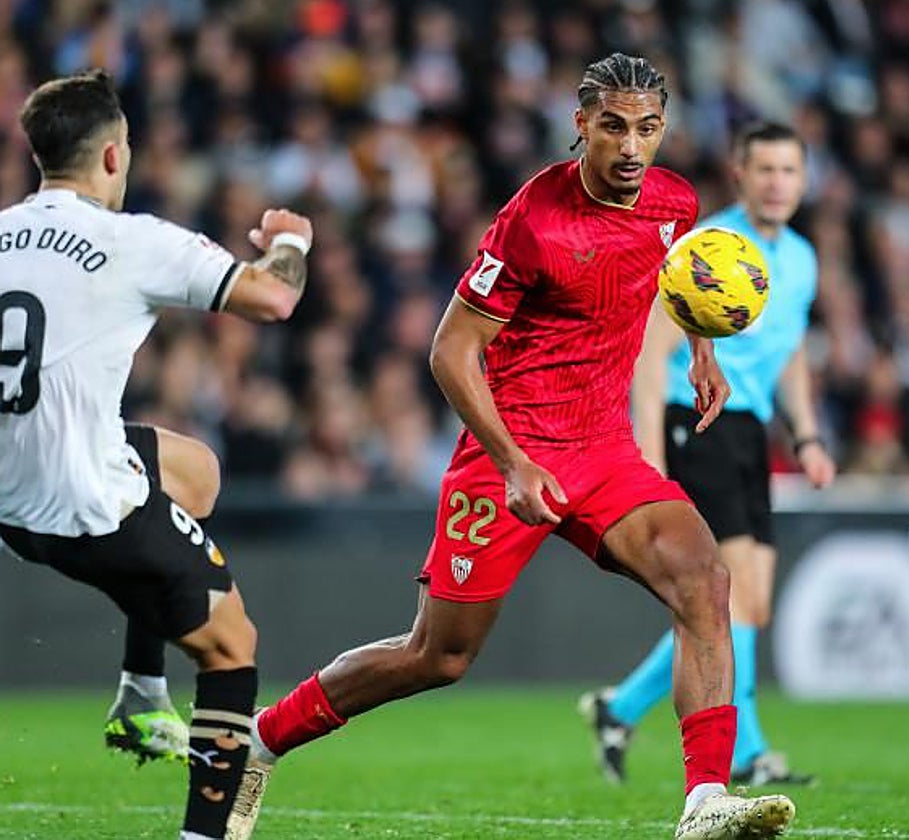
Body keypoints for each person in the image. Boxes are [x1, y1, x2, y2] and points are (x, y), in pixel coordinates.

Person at [225, 53, 796, 840]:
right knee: (438, 656)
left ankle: (705, 801)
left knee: (704, 580)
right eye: (614, 127)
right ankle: (257, 740)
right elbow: (448, 352)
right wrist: (512, 462)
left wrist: (701, 348)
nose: (633, 147)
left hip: (603, 448)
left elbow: (674, 276)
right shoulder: (534, 220)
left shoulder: (674, 202)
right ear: (582, 126)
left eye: (649, 129)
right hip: (510, 452)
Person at [0, 69, 313, 840]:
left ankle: (142, 691)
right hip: (88, 506)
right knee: (233, 647)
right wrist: (292, 239)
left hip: (10, 497)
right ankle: (203, 836)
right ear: (114, 156)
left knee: (194, 470)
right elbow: (275, 297)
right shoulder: (129, 239)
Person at [581, 121, 836, 786]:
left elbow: (789, 355)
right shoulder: (708, 249)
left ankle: (620, 707)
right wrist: (647, 459)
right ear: (741, 174)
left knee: (749, 604)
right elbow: (649, 352)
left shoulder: (802, 260)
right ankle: (747, 754)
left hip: (750, 429)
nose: (778, 183)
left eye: (789, 171)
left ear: (804, 182)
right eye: (766, 170)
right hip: (693, 418)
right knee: (734, 599)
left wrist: (805, 434)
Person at [103, 428, 222, 765]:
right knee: (234, 637)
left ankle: (144, 685)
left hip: (66, 434)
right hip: (55, 442)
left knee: (196, 474)